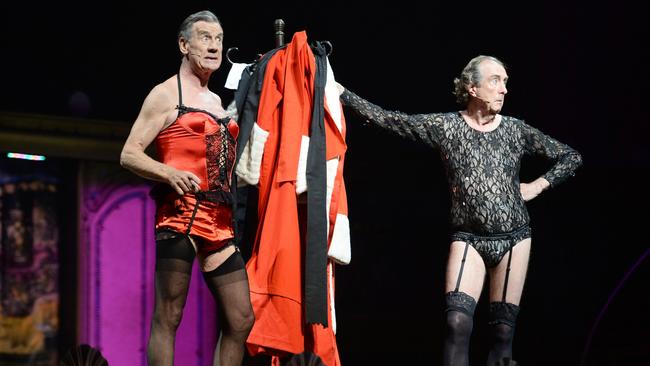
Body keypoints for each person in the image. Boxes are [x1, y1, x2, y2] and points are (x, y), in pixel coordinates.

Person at [336, 55, 582, 366]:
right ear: (472, 87)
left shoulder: (516, 130)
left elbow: (570, 157)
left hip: (515, 238)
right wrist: (342, 93)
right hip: (468, 239)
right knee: (456, 324)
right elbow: (392, 120)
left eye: (505, 82)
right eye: (495, 80)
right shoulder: (447, 126)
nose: (504, 89)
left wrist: (537, 186)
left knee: (503, 335)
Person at [120, 10, 254, 366]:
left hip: (220, 221)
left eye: (219, 39)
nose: (214, 46)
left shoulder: (217, 102)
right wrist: (167, 173)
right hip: (182, 214)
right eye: (205, 38)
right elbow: (129, 154)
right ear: (184, 44)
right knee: (170, 314)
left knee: (241, 319)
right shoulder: (165, 94)